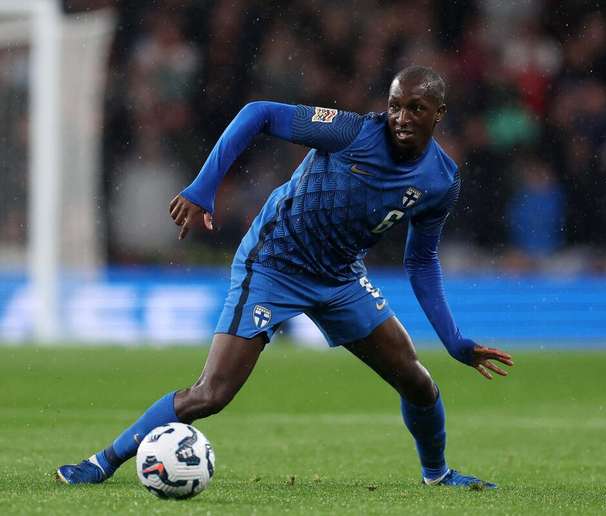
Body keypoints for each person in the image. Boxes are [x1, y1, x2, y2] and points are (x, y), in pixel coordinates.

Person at [56, 65, 513, 488]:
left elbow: (421, 261)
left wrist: (453, 340)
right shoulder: (352, 130)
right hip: (273, 264)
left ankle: (437, 475)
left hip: (339, 278)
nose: (401, 116)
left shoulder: (441, 180)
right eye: (395, 105)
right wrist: (204, 187)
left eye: (416, 108)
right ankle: (100, 463)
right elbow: (259, 113)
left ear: (440, 113)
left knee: (417, 381)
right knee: (211, 394)